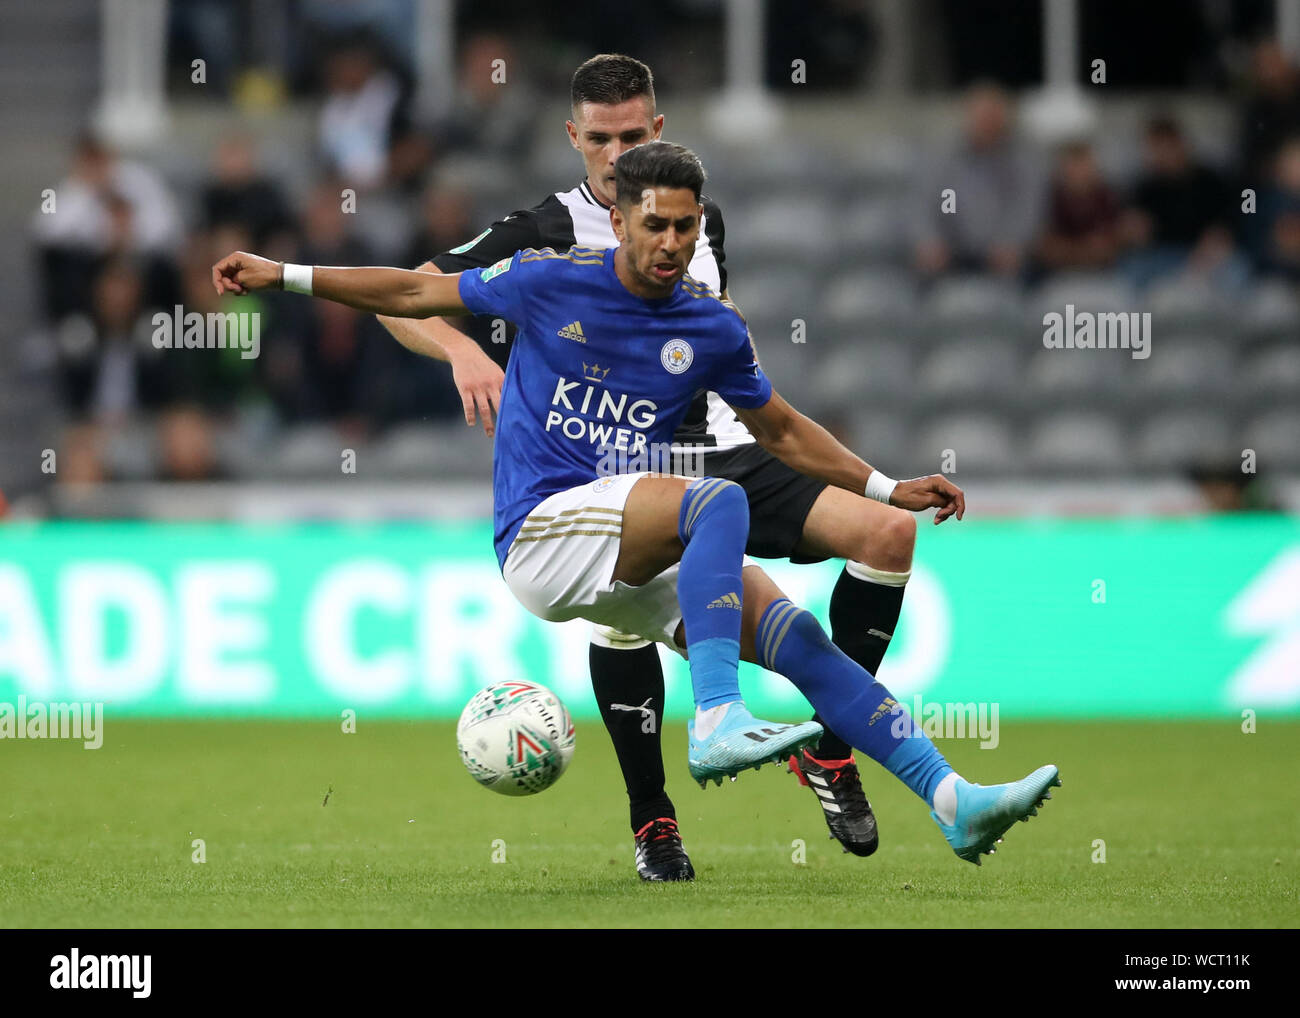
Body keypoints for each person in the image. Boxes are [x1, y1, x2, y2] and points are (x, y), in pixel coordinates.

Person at [212, 141, 1062, 872]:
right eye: (653, 224)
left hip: (622, 537)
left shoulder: (713, 326)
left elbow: (784, 431)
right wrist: (280, 275)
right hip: (543, 530)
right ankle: (717, 718)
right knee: (715, 504)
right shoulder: (547, 282)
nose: (670, 243)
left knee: (802, 643)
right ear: (617, 221)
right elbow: (410, 294)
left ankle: (952, 799)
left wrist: (882, 488)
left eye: (685, 227)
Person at [375, 53, 921, 881]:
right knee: (615, 604)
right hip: (612, 464)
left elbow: (715, 346)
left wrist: (866, 472)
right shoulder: (542, 234)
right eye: (601, 139)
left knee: (885, 533)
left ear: (658, 129)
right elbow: (409, 290)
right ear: (573, 138)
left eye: (634, 135)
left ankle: (829, 749)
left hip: (719, 445)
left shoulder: (695, 218)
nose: (620, 154)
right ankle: (653, 822)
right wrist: (459, 352)